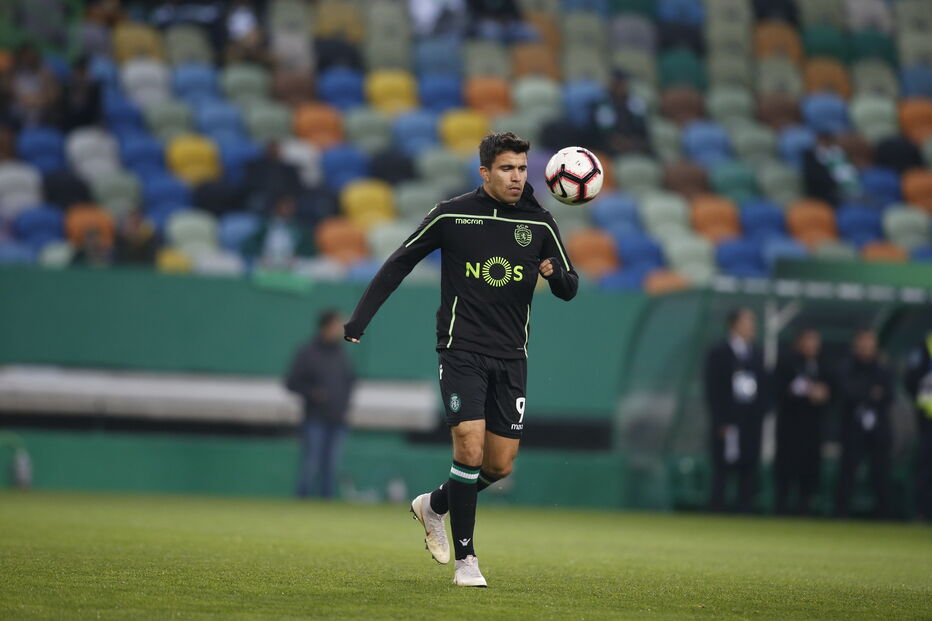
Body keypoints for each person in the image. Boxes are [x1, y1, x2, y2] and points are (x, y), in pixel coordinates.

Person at [343, 132, 578, 587]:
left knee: (498, 465)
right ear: (485, 172)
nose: (517, 177)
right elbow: (398, 263)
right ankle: (467, 562)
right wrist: (359, 320)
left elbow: (570, 289)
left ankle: (434, 505)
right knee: (468, 448)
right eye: (507, 169)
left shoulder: (541, 223)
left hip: (512, 357)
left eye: (523, 169)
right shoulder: (452, 214)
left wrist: (557, 275)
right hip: (460, 349)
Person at [285, 310, 356, 500]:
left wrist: (345, 406)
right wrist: (312, 393)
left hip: (337, 419)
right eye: (336, 326)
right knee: (311, 463)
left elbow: (349, 383)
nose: (339, 331)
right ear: (325, 327)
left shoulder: (341, 354)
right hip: (314, 419)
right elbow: (291, 382)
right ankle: (302, 500)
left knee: (331, 465)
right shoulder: (307, 352)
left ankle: (327, 503)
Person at [703, 308, 768, 514]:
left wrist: (760, 414)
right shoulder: (718, 352)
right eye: (748, 321)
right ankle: (718, 509)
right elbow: (713, 389)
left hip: (750, 421)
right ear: (735, 325)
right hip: (728, 420)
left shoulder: (757, 353)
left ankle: (745, 510)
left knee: (748, 465)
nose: (752, 326)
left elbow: (765, 386)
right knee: (723, 466)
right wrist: (721, 420)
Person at [835, 329, 893, 519]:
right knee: (848, 470)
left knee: (881, 471)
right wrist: (870, 392)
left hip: (878, 428)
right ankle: (841, 513)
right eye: (864, 342)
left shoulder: (882, 366)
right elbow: (847, 391)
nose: (868, 346)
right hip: (853, 426)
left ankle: (884, 514)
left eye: (871, 342)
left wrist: (865, 392)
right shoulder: (847, 365)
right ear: (856, 344)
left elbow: (889, 394)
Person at [773, 328, 832, 516]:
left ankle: (805, 508)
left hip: (812, 428)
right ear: (798, 343)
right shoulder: (786, 363)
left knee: (809, 469)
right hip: (790, 426)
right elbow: (777, 390)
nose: (813, 345)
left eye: (815, 341)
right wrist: (801, 392)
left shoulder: (823, 365)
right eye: (809, 340)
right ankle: (781, 508)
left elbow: (835, 390)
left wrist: (823, 393)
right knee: (786, 469)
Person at [240, 194, 315, 269]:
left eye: (289, 206)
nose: (286, 209)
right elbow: (249, 245)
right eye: (283, 206)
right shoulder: (266, 225)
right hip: (267, 260)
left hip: (291, 263)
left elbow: (309, 249)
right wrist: (261, 254)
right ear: (276, 206)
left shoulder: (299, 228)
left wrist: (297, 256)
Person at [904, 331, 932, 521]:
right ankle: (922, 511)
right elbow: (910, 380)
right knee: (926, 464)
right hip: (927, 417)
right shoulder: (923, 346)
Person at [589, 70, 650, 156]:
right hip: (611, 147)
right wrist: (618, 142)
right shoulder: (603, 106)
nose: (621, 87)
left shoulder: (636, 103)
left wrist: (634, 142)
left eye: (623, 84)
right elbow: (602, 133)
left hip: (635, 144)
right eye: (617, 84)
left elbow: (642, 129)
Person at [802, 132, 862, 208]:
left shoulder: (839, 153)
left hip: (849, 188)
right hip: (828, 193)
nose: (825, 143)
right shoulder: (811, 156)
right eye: (823, 141)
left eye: (827, 141)